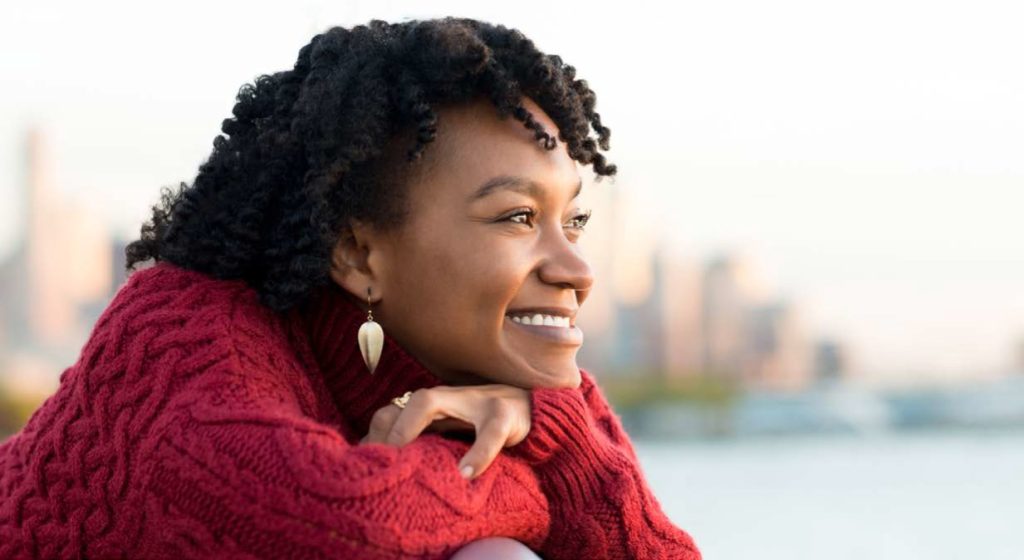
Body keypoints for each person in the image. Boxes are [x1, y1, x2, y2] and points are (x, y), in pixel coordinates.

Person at [0, 17, 702, 559]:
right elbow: (353, 523)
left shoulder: (522, 393)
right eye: (518, 217)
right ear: (358, 253)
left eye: (572, 221)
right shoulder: (182, 341)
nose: (576, 270)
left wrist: (556, 432)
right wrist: (538, 476)